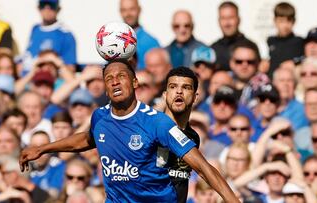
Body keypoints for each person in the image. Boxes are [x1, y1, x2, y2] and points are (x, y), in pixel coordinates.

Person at [19, 59, 240, 202]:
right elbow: (85, 139)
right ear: (105, 88)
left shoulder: (157, 123)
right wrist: (43, 148)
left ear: (135, 82)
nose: (115, 82)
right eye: (109, 79)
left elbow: (202, 167)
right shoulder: (100, 117)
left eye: (121, 77)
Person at [163, 67, 201, 203]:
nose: (179, 91)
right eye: (173, 87)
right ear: (164, 95)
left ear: (195, 97)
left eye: (186, 87)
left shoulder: (193, 137)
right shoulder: (151, 130)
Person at [22, 0, 77, 74]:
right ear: (38, 8)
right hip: (28, 79)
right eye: (43, 5)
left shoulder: (65, 34)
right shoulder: (35, 29)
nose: (47, 9)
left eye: (51, 5)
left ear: (58, 9)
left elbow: (70, 69)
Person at [211, 1, 257, 71]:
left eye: (231, 17)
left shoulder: (251, 47)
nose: (227, 23)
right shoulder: (213, 50)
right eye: (223, 18)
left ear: (238, 20)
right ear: (219, 21)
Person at [119, 0, 160, 69]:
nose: (128, 14)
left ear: (139, 10)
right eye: (124, 10)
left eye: (132, 9)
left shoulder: (151, 42)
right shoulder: (114, 40)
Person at [266, 2, 304, 76]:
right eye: (281, 21)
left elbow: (307, 59)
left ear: (294, 22)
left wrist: (295, 63)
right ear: (275, 21)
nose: (285, 25)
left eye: (289, 21)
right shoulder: (270, 41)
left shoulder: (299, 41)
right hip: (273, 80)